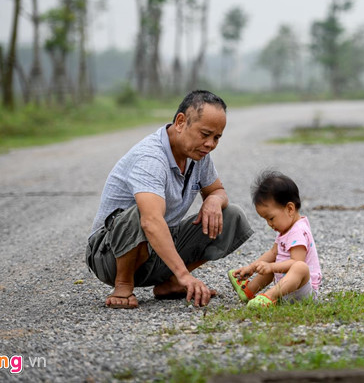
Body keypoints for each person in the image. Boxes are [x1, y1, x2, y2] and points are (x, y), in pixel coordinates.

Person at [86, 90, 253, 309]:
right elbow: (151, 221)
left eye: (216, 137)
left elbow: (218, 190)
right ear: (181, 122)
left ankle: (170, 282)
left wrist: (213, 200)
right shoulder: (151, 157)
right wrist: (186, 276)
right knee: (143, 212)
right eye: (205, 134)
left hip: (155, 253)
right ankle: (123, 285)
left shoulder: (198, 155)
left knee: (232, 215)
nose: (210, 144)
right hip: (109, 255)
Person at [227, 171, 322, 308]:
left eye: (271, 218)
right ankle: (248, 290)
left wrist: (271, 266)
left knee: (299, 267)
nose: (269, 224)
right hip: (287, 289)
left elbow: (296, 261)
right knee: (272, 262)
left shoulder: (298, 231)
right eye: (265, 219)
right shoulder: (285, 230)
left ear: (290, 209)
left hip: (304, 293)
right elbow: (272, 253)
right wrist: (252, 267)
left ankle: (270, 297)